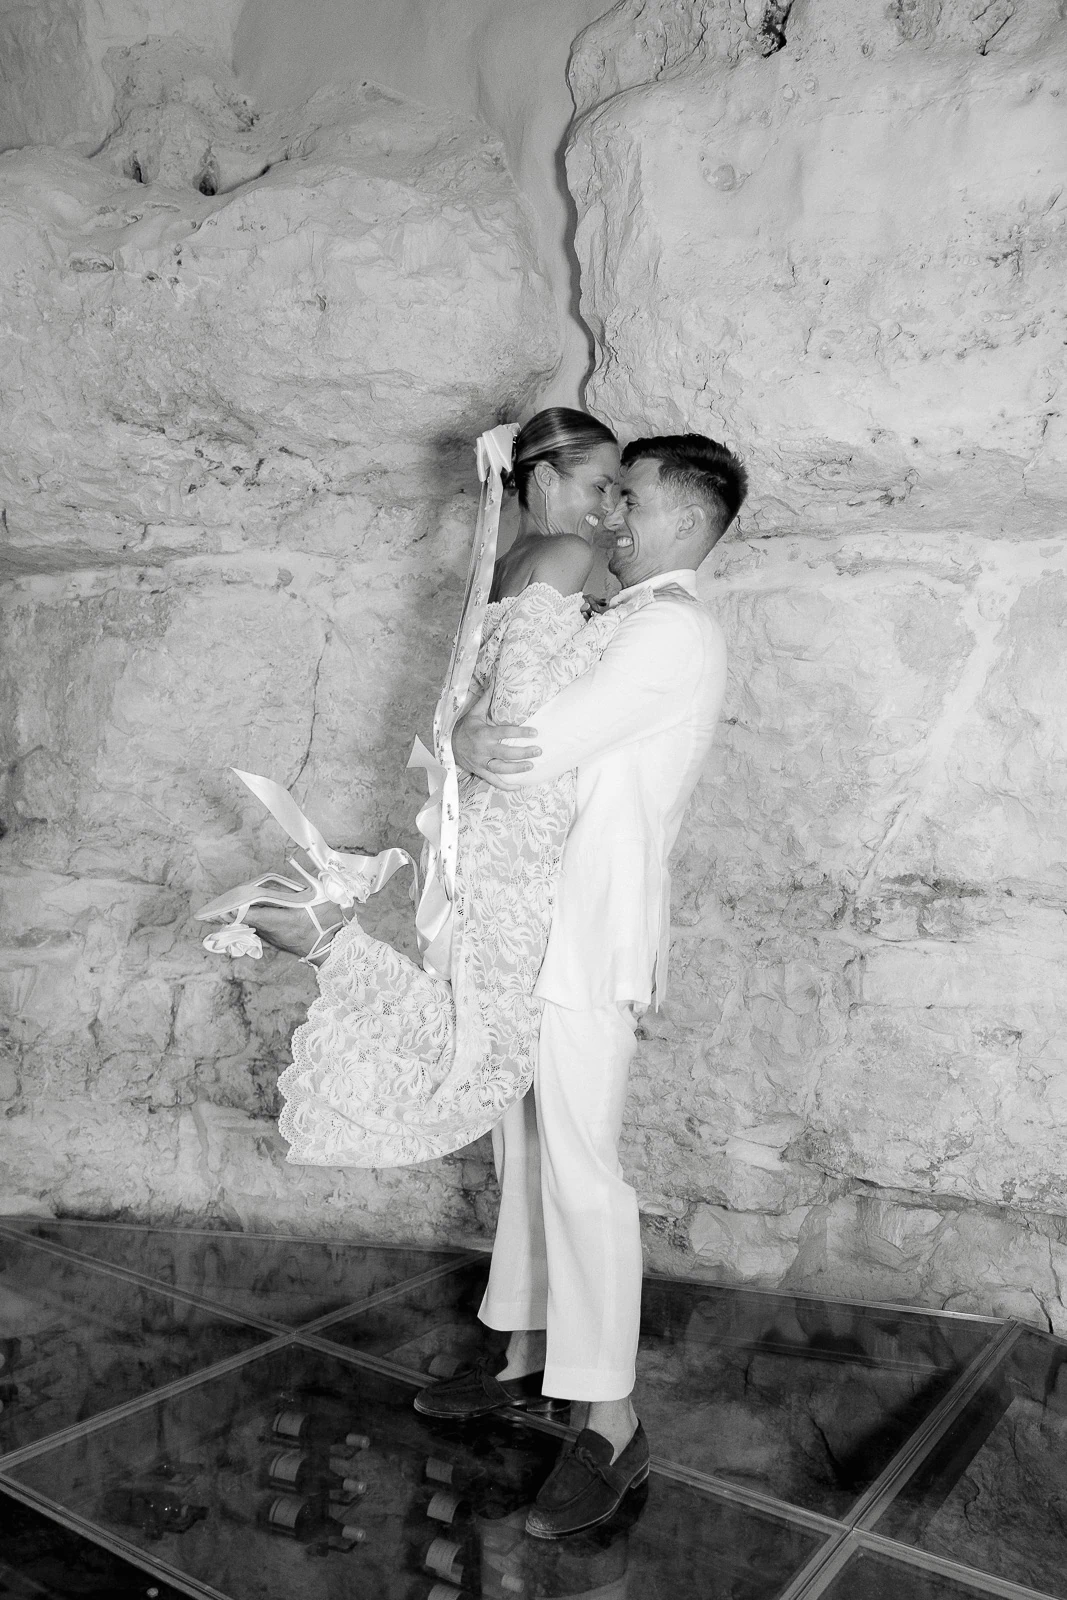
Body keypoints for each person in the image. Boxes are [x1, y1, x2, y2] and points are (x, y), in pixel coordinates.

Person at [414, 433, 746, 1541]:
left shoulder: (667, 626)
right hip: (533, 924)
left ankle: (609, 1417)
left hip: (588, 933)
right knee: (524, 1150)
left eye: (634, 502)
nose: (613, 517)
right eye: (608, 495)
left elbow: (527, 745)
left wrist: (467, 733)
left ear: (689, 525)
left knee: (583, 1170)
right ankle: (522, 1351)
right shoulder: (617, 612)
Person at [195, 409, 649, 1166]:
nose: (608, 509)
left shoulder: (514, 562)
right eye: (600, 485)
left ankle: (324, 937)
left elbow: (464, 698)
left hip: (486, 813)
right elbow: (520, 700)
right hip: (520, 816)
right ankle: (324, 938)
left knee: (478, 1025)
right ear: (543, 478)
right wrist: (610, 637)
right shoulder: (569, 555)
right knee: (494, 1054)